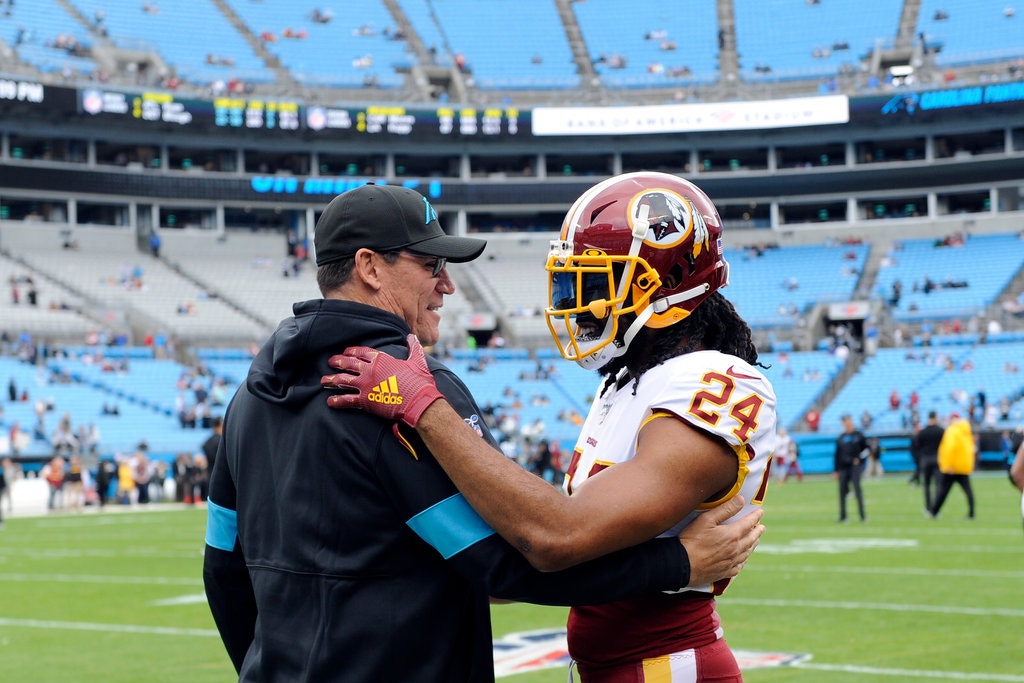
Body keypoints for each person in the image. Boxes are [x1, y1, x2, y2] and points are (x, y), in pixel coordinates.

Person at [203, 183, 765, 683]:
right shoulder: (407, 387)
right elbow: (509, 559)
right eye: (430, 266)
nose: (448, 285)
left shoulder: (250, 396)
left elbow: (221, 567)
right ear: (371, 268)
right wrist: (678, 565)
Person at [930, 413, 976, 519]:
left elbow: (949, 449)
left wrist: (948, 465)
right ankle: (971, 513)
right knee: (968, 490)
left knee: (943, 491)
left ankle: (934, 511)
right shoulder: (966, 431)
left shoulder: (952, 431)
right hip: (963, 467)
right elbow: (970, 450)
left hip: (953, 467)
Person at [834, 414, 868, 522]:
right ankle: (843, 516)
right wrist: (836, 470)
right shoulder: (841, 437)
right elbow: (837, 454)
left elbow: (866, 450)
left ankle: (862, 516)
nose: (846, 423)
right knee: (842, 491)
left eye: (848, 421)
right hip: (843, 467)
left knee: (857, 490)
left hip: (854, 467)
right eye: (844, 422)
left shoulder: (858, 435)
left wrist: (860, 459)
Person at [914, 410, 945, 513]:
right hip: (938, 459)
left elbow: (917, 445)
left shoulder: (923, 432)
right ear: (935, 417)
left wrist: (920, 456)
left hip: (926, 459)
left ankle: (928, 507)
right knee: (938, 484)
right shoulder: (941, 431)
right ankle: (936, 508)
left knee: (927, 485)